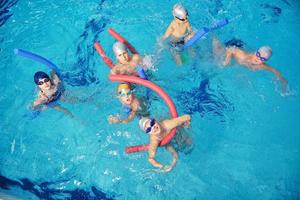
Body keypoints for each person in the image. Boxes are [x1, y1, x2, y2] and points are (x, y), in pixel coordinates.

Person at [213, 37, 288, 93]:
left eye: (262, 58)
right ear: (256, 51)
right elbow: (231, 49)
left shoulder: (261, 66)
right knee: (218, 56)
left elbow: (276, 71)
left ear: (265, 61)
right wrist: (227, 61)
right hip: (233, 45)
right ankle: (213, 35)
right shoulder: (242, 55)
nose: (258, 58)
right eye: (258, 54)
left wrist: (282, 82)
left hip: (240, 47)